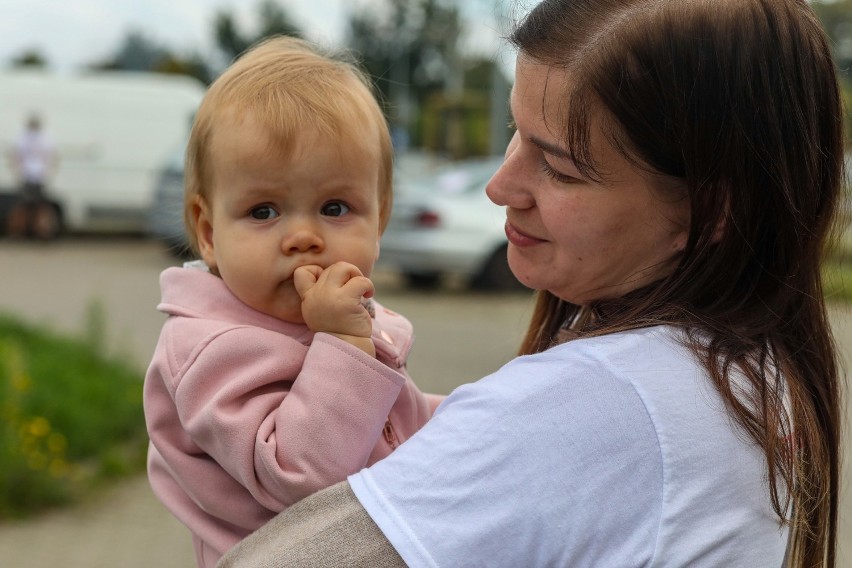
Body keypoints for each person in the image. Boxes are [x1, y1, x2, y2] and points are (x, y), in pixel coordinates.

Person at [217, 0, 844, 566]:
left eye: (560, 168)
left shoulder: (591, 409)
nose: (500, 186)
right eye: (516, 132)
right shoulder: (753, 369)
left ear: (709, 210)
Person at [143, 36, 442, 568]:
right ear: (209, 233)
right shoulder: (208, 349)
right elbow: (297, 476)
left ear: (380, 218)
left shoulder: (320, 326)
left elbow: (405, 423)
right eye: (264, 212)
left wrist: (487, 415)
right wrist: (345, 343)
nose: (302, 237)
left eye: (334, 206)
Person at [6, 114, 59, 239]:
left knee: (30, 206)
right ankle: (34, 232)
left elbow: (15, 156)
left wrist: (17, 170)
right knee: (33, 206)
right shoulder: (44, 139)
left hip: (31, 176)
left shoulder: (24, 138)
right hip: (35, 176)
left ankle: (34, 232)